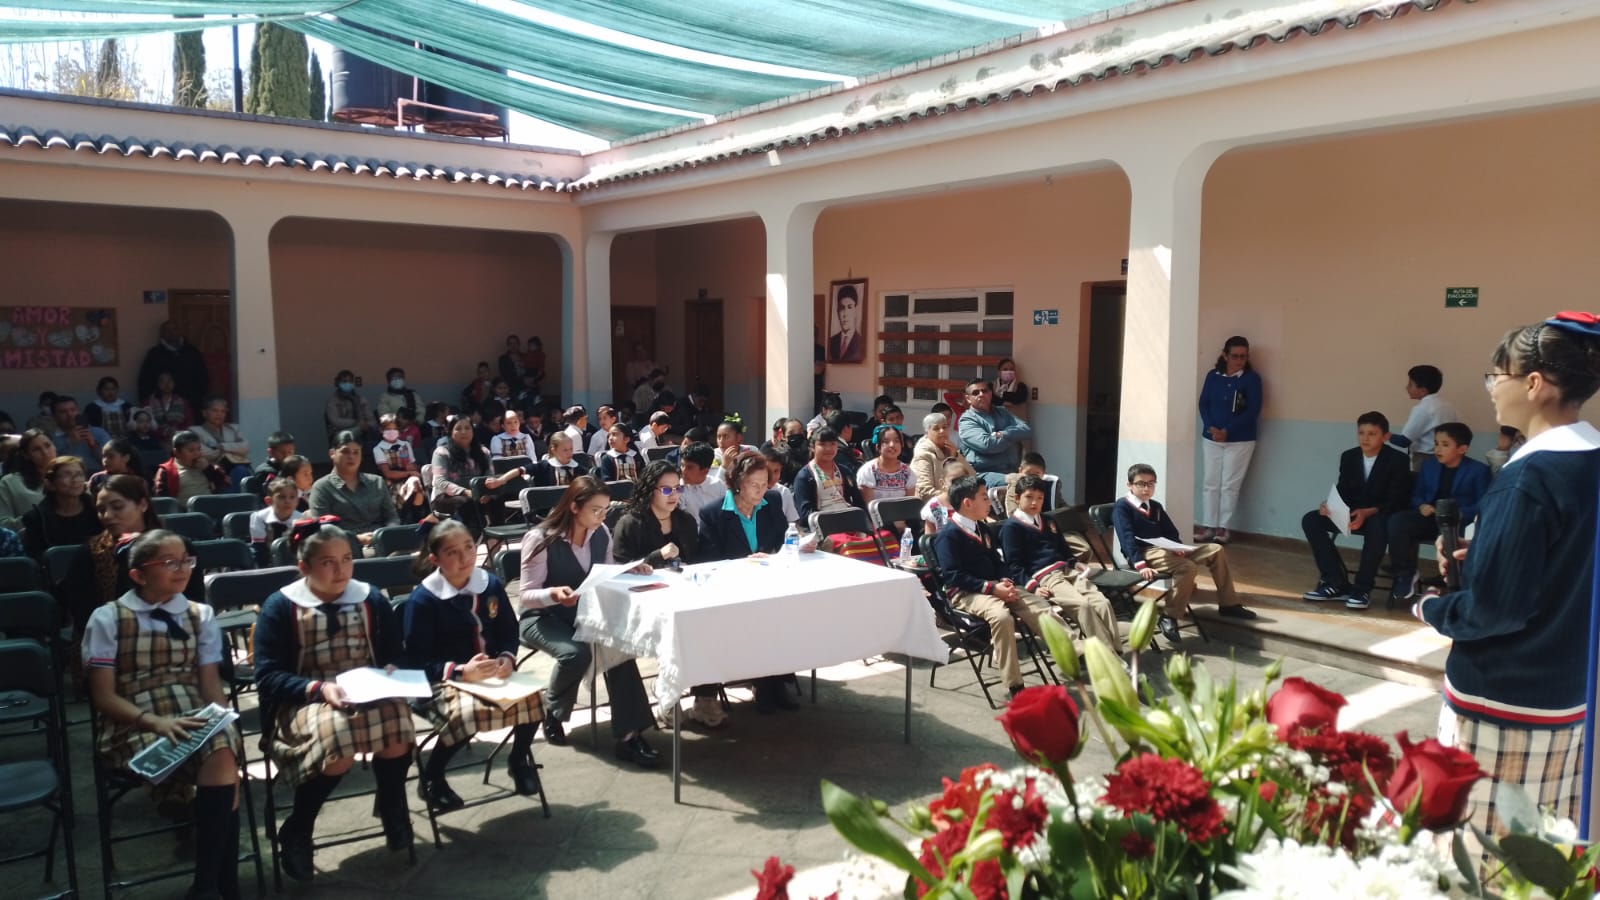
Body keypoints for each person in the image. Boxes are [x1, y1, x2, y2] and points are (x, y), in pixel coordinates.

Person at [1417, 311, 1600, 839]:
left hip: (1505, 699)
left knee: (1484, 853)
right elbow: (1568, 557)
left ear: (1534, 384)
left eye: (1496, 376)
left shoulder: (1527, 478)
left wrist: (1431, 607)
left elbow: (1493, 610)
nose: (1493, 389)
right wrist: (1490, 551)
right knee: (1547, 847)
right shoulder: (1589, 459)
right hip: (1570, 688)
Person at [83, 529, 241, 900]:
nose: (182, 568)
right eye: (170, 562)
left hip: (192, 711)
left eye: (186, 560)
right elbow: (103, 696)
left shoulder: (199, 614)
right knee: (223, 767)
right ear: (138, 574)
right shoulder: (109, 618)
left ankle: (206, 887)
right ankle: (222, 885)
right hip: (134, 720)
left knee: (223, 746)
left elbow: (209, 684)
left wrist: (223, 719)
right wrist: (154, 722)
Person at [253, 523, 416, 881]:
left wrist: (391, 667)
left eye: (346, 559)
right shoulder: (281, 607)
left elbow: (394, 652)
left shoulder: (370, 599)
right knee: (339, 738)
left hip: (364, 690)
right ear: (304, 567)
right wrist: (318, 689)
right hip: (303, 699)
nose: (340, 570)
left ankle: (392, 803)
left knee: (398, 721)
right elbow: (267, 676)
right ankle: (299, 826)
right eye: (328, 562)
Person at [518, 476, 660, 765]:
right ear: (574, 507)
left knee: (618, 649)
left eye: (605, 510)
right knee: (576, 653)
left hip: (584, 613)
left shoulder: (601, 533)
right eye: (596, 510)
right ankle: (552, 710)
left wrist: (628, 570)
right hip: (543, 616)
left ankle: (630, 735)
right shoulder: (540, 538)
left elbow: (604, 574)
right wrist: (553, 594)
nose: (602, 516)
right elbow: (526, 595)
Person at [404, 520, 544, 809]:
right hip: (442, 680)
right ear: (435, 560)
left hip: (491, 674)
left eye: (469, 547)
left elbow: (508, 631)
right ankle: (432, 776)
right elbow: (417, 660)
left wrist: (506, 657)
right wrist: (460, 671)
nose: (465, 557)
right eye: (452, 552)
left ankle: (518, 760)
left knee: (535, 700)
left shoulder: (489, 584)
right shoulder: (424, 599)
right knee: (468, 714)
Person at [932, 475, 1069, 699]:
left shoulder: (983, 529)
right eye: (984, 498)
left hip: (995, 586)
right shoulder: (948, 536)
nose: (989, 502)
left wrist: (1005, 580)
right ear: (967, 503)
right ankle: (1015, 684)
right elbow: (953, 576)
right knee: (1002, 617)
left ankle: (1074, 653)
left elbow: (998, 562)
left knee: (1039, 606)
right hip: (966, 592)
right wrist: (992, 589)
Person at [696, 451, 800, 713]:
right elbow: (707, 561)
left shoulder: (771, 501)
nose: (761, 490)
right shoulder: (713, 514)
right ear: (738, 483)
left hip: (768, 584)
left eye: (765, 484)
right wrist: (744, 563)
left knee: (786, 613)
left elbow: (781, 541)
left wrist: (786, 550)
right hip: (729, 590)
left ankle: (775, 683)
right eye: (754, 484)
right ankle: (760, 683)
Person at [1112, 464, 1258, 632]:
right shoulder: (1122, 507)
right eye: (1141, 484)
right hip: (1144, 553)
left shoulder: (1155, 506)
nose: (1146, 488)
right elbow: (1126, 538)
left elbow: (1170, 532)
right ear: (1129, 485)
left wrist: (1177, 547)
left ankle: (1228, 604)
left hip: (1166, 550)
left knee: (1215, 550)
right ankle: (1169, 616)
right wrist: (1140, 564)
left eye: (1151, 483)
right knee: (1187, 567)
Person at [999, 474, 1124, 655]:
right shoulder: (1011, 528)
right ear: (1017, 498)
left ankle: (1116, 651)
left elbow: (1063, 550)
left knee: (1102, 602)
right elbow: (1014, 565)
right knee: (1083, 606)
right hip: (1046, 577)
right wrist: (1033, 586)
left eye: (1039, 498)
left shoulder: (1048, 521)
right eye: (1029, 497)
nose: (1034, 502)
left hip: (1068, 571)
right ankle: (1106, 657)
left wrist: (1075, 562)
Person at [1300, 411, 1413, 611]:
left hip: (1381, 513)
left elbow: (1397, 499)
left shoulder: (1398, 460)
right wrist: (1329, 505)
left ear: (1385, 436)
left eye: (1372, 434)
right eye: (1361, 433)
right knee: (1311, 520)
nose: (1365, 438)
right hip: (1353, 513)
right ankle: (1335, 581)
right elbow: (1343, 489)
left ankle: (1362, 589)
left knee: (1378, 527)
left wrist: (1368, 512)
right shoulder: (1349, 456)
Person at [1386, 422, 1492, 604]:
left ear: (1462, 449)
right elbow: (1417, 495)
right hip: (1430, 518)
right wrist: (1421, 505)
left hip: (1457, 523)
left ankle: (1455, 583)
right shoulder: (1429, 465)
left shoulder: (1478, 470)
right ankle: (1405, 573)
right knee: (1398, 521)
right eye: (1436, 443)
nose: (1438, 449)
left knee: (1458, 535)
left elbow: (1484, 505)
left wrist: (1458, 513)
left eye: (1445, 444)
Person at [66, 474, 161, 631]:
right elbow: (82, 611)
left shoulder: (172, 547)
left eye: (117, 507)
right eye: (101, 510)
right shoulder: (91, 552)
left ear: (143, 505)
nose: (107, 516)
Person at [1197, 336, 1263, 543]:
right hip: (1212, 438)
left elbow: (1253, 410)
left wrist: (1228, 431)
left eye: (1243, 356)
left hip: (1240, 441)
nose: (1239, 360)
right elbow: (1203, 404)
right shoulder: (1213, 376)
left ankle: (1223, 529)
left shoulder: (1251, 379)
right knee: (1210, 483)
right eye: (1235, 356)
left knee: (1229, 485)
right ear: (1225, 356)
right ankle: (1209, 526)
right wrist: (1211, 427)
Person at [429, 416, 520, 538]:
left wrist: (487, 493)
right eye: (458, 429)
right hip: (446, 497)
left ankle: (495, 539)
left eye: (467, 428)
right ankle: (469, 539)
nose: (464, 432)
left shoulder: (483, 452)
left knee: (496, 500)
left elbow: (489, 477)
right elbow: (439, 481)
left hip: (478, 495)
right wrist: (465, 492)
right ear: (450, 432)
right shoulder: (441, 453)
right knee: (465, 503)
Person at [308, 431, 399, 547]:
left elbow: (392, 517)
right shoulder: (322, 487)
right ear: (332, 453)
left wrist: (386, 535)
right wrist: (356, 539)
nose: (351, 457)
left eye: (356, 452)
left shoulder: (376, 482)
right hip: (343, 547)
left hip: (380, 541)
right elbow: (323, 529)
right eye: (345, 452)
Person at [21, 454, 101, 561]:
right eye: (67, 475)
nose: (75, 480)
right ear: (50, 483)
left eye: (79, 474)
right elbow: (35, 559)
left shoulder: (97, 509)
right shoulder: (36, 518)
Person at [958, 377, 1032, 487]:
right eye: (975, 393)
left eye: (985, 391)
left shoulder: (1002, 412)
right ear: (968, 399)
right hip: (983, 475)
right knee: (1023, 484)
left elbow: (1026, 430)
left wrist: (1004, 434)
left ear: (990, 394)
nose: (981, 394)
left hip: (1011, 470)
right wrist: (1012, 437)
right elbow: (988, 445)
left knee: (1041, 482)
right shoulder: (967, 420)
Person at [1391, 364, 1462, 466]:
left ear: (1423, 390)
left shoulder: (1423, 409)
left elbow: (1404, 441)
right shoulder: (1449, 406)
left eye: (1410, 384)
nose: (1406, 387)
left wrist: (1386, 435)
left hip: (1425, 459)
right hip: (1449, 457)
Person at [792, 426, 865, 523]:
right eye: (822, 444)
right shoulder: (804, 476)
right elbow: (805, 513)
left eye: (833, 444)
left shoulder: (844, 471)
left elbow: (859, 502)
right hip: (822, 524)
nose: (828, 448)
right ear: (812, 447)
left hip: (848, 520)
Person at [138, 321, 210, 411]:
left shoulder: (192, 352)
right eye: (167, 330)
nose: (171, 332)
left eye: (174, 329)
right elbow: (145, 382)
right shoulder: (154, 355)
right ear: (162, 335)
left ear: (180, 331)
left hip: (193, 404)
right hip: (162, 407)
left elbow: (203, 377)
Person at [153, 430, 230, 507]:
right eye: (191, 450)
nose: (196, 453)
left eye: (199, 449)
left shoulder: (207, 466)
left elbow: (224, 484)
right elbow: (163, 498)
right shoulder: (166, 470)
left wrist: (208, 469)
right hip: (184, 511)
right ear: (176, 452)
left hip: (211, 508)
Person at [192, 396, 252, 489]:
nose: (219, 414)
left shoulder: (233, 429)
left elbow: (245, 447)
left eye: (223, 411)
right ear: (204, 413)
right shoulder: (194, 431)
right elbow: (203, 452)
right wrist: (233, 450)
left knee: (241, 471)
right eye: (214, 410)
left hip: (236, 468)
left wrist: (222, 446)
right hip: (211, 472)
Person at [373, 413, 426, 518]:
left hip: (408, 478)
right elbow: (388, 473)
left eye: (395, 429)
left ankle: (416, 517)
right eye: (388, 429)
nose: (392, 432)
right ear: (381, 430)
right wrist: (409, 472)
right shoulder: (378, 449)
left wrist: (412, 467)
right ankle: (405, 516)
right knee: (414, 484)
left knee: (415, 482)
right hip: (392, 483)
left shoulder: (405, 445)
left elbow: (413, 465)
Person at [0, 429, 54, 531]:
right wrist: (35, 517)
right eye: (36, 449)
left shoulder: (71, 476)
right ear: (26, 455)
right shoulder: (9, 483)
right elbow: (3, 525)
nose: (45, 452)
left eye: (48, 445)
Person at [49, 394, 110, 473]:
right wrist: (70, 443)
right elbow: (52, 465)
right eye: (63, 412)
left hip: (99, 475)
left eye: (73, 410)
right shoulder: (50, 439)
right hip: (67, 475)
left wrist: (93, 445)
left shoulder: (98, 432)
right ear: (54, 417)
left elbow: (111, 461)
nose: (69, 414)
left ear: (79, 411)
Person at [857, 425, 916, 503]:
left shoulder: (908, 472)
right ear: (878, 447)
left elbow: (910, 504)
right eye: (886, 441)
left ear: (901, 445)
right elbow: (869, 506)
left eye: (896, 441)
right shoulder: (868, 470)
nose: (892, 445)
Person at [922, 457, 976, 534]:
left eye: (963, 479)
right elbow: (929, 536)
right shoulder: (934, 507)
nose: (959, 485)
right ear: (942, 483)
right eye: (954, 481)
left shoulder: (973, 500)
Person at [910, 413, 958, 501]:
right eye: (936, 428)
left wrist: (955, 456)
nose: (942, 431)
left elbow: (971, 476)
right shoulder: (923, 454)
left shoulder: (950, 449)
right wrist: (955, 499)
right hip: (934, 505)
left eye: (944, 427)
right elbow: (925, 491)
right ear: (927, 432)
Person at [251, 478, 301, 556]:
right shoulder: (259, 517)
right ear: (269, 501)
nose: (288, 501)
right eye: (281, 497)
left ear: (297, 500)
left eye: (292, 497)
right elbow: (259, 549)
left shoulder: (301, 518)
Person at [676, 442, 724, 520]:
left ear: (705, 471)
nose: (683, 471)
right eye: (682, 465)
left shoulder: (718, 485)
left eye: (689, 467)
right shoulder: (677, 488)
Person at [324, 370, 375, 443]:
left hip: (363, 430)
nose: (348, 384)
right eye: (344, 381)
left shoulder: (360, 399)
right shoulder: (332, 401)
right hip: (339, 433)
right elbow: (335, 421)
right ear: (338, 383)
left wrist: (368, 425)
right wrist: (357, 423)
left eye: (350, 381)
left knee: (377, 431)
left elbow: (372, 419)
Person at [146, 371, 194, 441]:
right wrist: (164, 432)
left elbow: (190, 423)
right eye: (163, 381)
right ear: (158, 384)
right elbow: (145, 425)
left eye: (169, 380)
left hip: (180, 440)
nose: (167, 384)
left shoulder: (183, 401)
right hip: (156, 441)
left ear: (174, 383)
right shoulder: (149, 402)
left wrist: (177, 431)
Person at [760, 447, 801, 524]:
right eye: (768, 471)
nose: (772, 477)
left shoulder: (784, 492)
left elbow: (792, 522)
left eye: (776, 471)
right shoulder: (751, 493)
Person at [827, 284, 865, 363]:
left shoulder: (861, 341)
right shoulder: (831, 341)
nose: (845, 314)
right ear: (837, 312)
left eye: (850, 307)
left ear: (855, 311)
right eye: (842, 308)